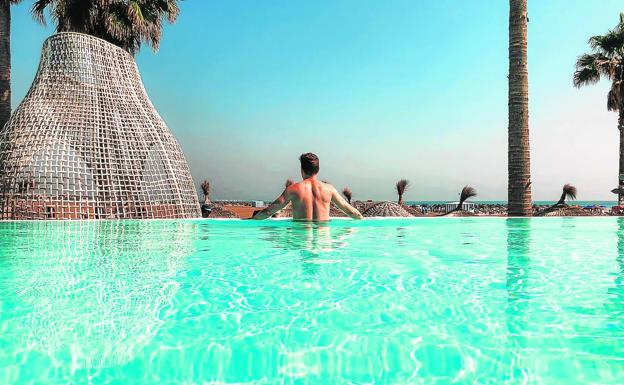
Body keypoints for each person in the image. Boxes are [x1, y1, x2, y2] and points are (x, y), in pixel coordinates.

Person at [253, 153, 363, 221]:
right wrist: (363, 219)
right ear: (318, 169)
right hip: (323, 243)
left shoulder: (293, 189)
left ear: (302, 170)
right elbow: (352, 213)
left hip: (300, 241)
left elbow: (268, 212)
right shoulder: (329, 189)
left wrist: (251, 220)